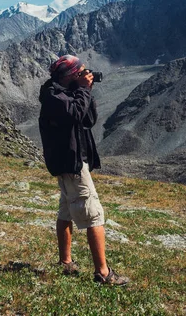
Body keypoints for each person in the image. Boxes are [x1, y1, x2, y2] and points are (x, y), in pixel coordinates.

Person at [38, 54, 129, 286]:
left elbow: (87, 119)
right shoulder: (53, 96)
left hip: (73, 160)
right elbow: (74, 114)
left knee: (66, 210)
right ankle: (103, 273)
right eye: (80, 72)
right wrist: (83, 90)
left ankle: (65, 262)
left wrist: (84, 91)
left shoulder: (67, 92)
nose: (84, 74)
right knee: (94, 214)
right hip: (71, 163)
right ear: (70, 75)